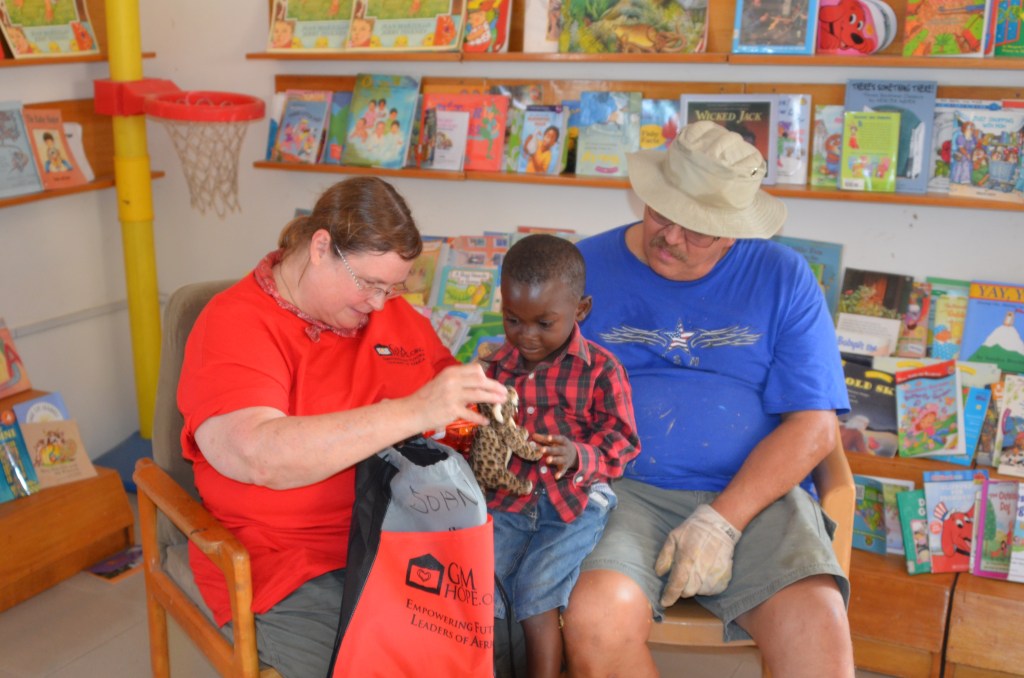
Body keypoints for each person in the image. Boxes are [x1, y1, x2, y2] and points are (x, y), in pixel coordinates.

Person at [177, 176, 508, 678]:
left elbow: (447, 398)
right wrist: (415, 410)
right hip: (291, 559)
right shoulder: (234, 323)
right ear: (320, 247)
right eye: (369, 283)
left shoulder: (390, 314)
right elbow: (256, 453)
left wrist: (485, 411)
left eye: (393, 287)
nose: (380, 303)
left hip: (406, 535)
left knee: (501, 643)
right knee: (384, 665)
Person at [561, 120, 854, 678]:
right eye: (661, 214)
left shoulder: (784, 277)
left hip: (756, 492)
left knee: (819, 625)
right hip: (622, 490)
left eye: (697, 230)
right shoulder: (580, 268)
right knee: (596, 619)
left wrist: (722, 521)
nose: (670, 237)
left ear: (733, 232)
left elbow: (815, 428)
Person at [484, 234, 640, 678]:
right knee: (484, 583)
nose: (526, 336)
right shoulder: (495, 366)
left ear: (581, 310)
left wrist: (580, 455)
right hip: (508, 500)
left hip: (573, 503)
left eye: (543, 323)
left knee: (537, 590)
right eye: (513, 320)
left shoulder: (602, 370)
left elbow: (624, 442)